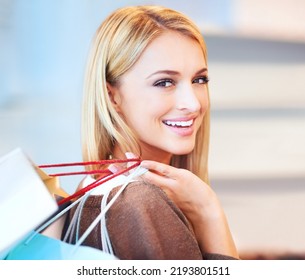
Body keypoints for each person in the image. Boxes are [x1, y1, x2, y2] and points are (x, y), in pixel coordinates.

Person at [65, 5, 239, 260]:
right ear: (112, 96)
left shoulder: (93, 188)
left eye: (199, 80)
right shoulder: (140, 203)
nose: (192, 103)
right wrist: (209, 213)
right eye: (164, 82)